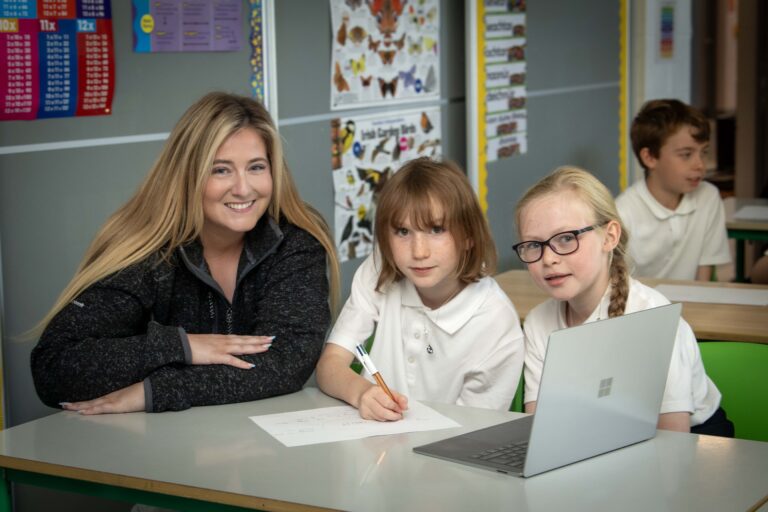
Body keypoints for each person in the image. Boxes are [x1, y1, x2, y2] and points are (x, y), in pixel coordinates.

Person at [31, 92, 340, 414]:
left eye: (256, 167)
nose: (243, 188)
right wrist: (181, 346)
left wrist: (155, 391)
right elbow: (55, 370)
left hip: (265, 440)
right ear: (188, 175)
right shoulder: (145, 251)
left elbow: (287, 363)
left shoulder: (294, 241)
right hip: (150, 447)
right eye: (221, 170)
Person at [514, 166, 733, 436]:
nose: (548, 259)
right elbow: (540, 429)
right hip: (593, 437)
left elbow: (674, 442)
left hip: (693, 442)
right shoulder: (538, 322)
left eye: (566, 238)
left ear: (610, 236)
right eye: (534, 245)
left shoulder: (652, 317)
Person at [316, 158, 524, 421]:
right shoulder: (380, 269)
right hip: (371, 448)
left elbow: (472, 435)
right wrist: (362, 393)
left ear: (469, 236)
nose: (419, 252)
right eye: (403, 231)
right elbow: (329, 365)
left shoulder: (496, 322)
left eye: (436, 230)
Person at [616, 99, 730, 280]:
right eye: (686, 155)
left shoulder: (708, 197)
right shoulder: (623, 213)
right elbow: (616, 285)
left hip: (691, 305)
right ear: (650, 158)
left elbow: (704, 280)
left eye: (704, 152)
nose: (700, 164)